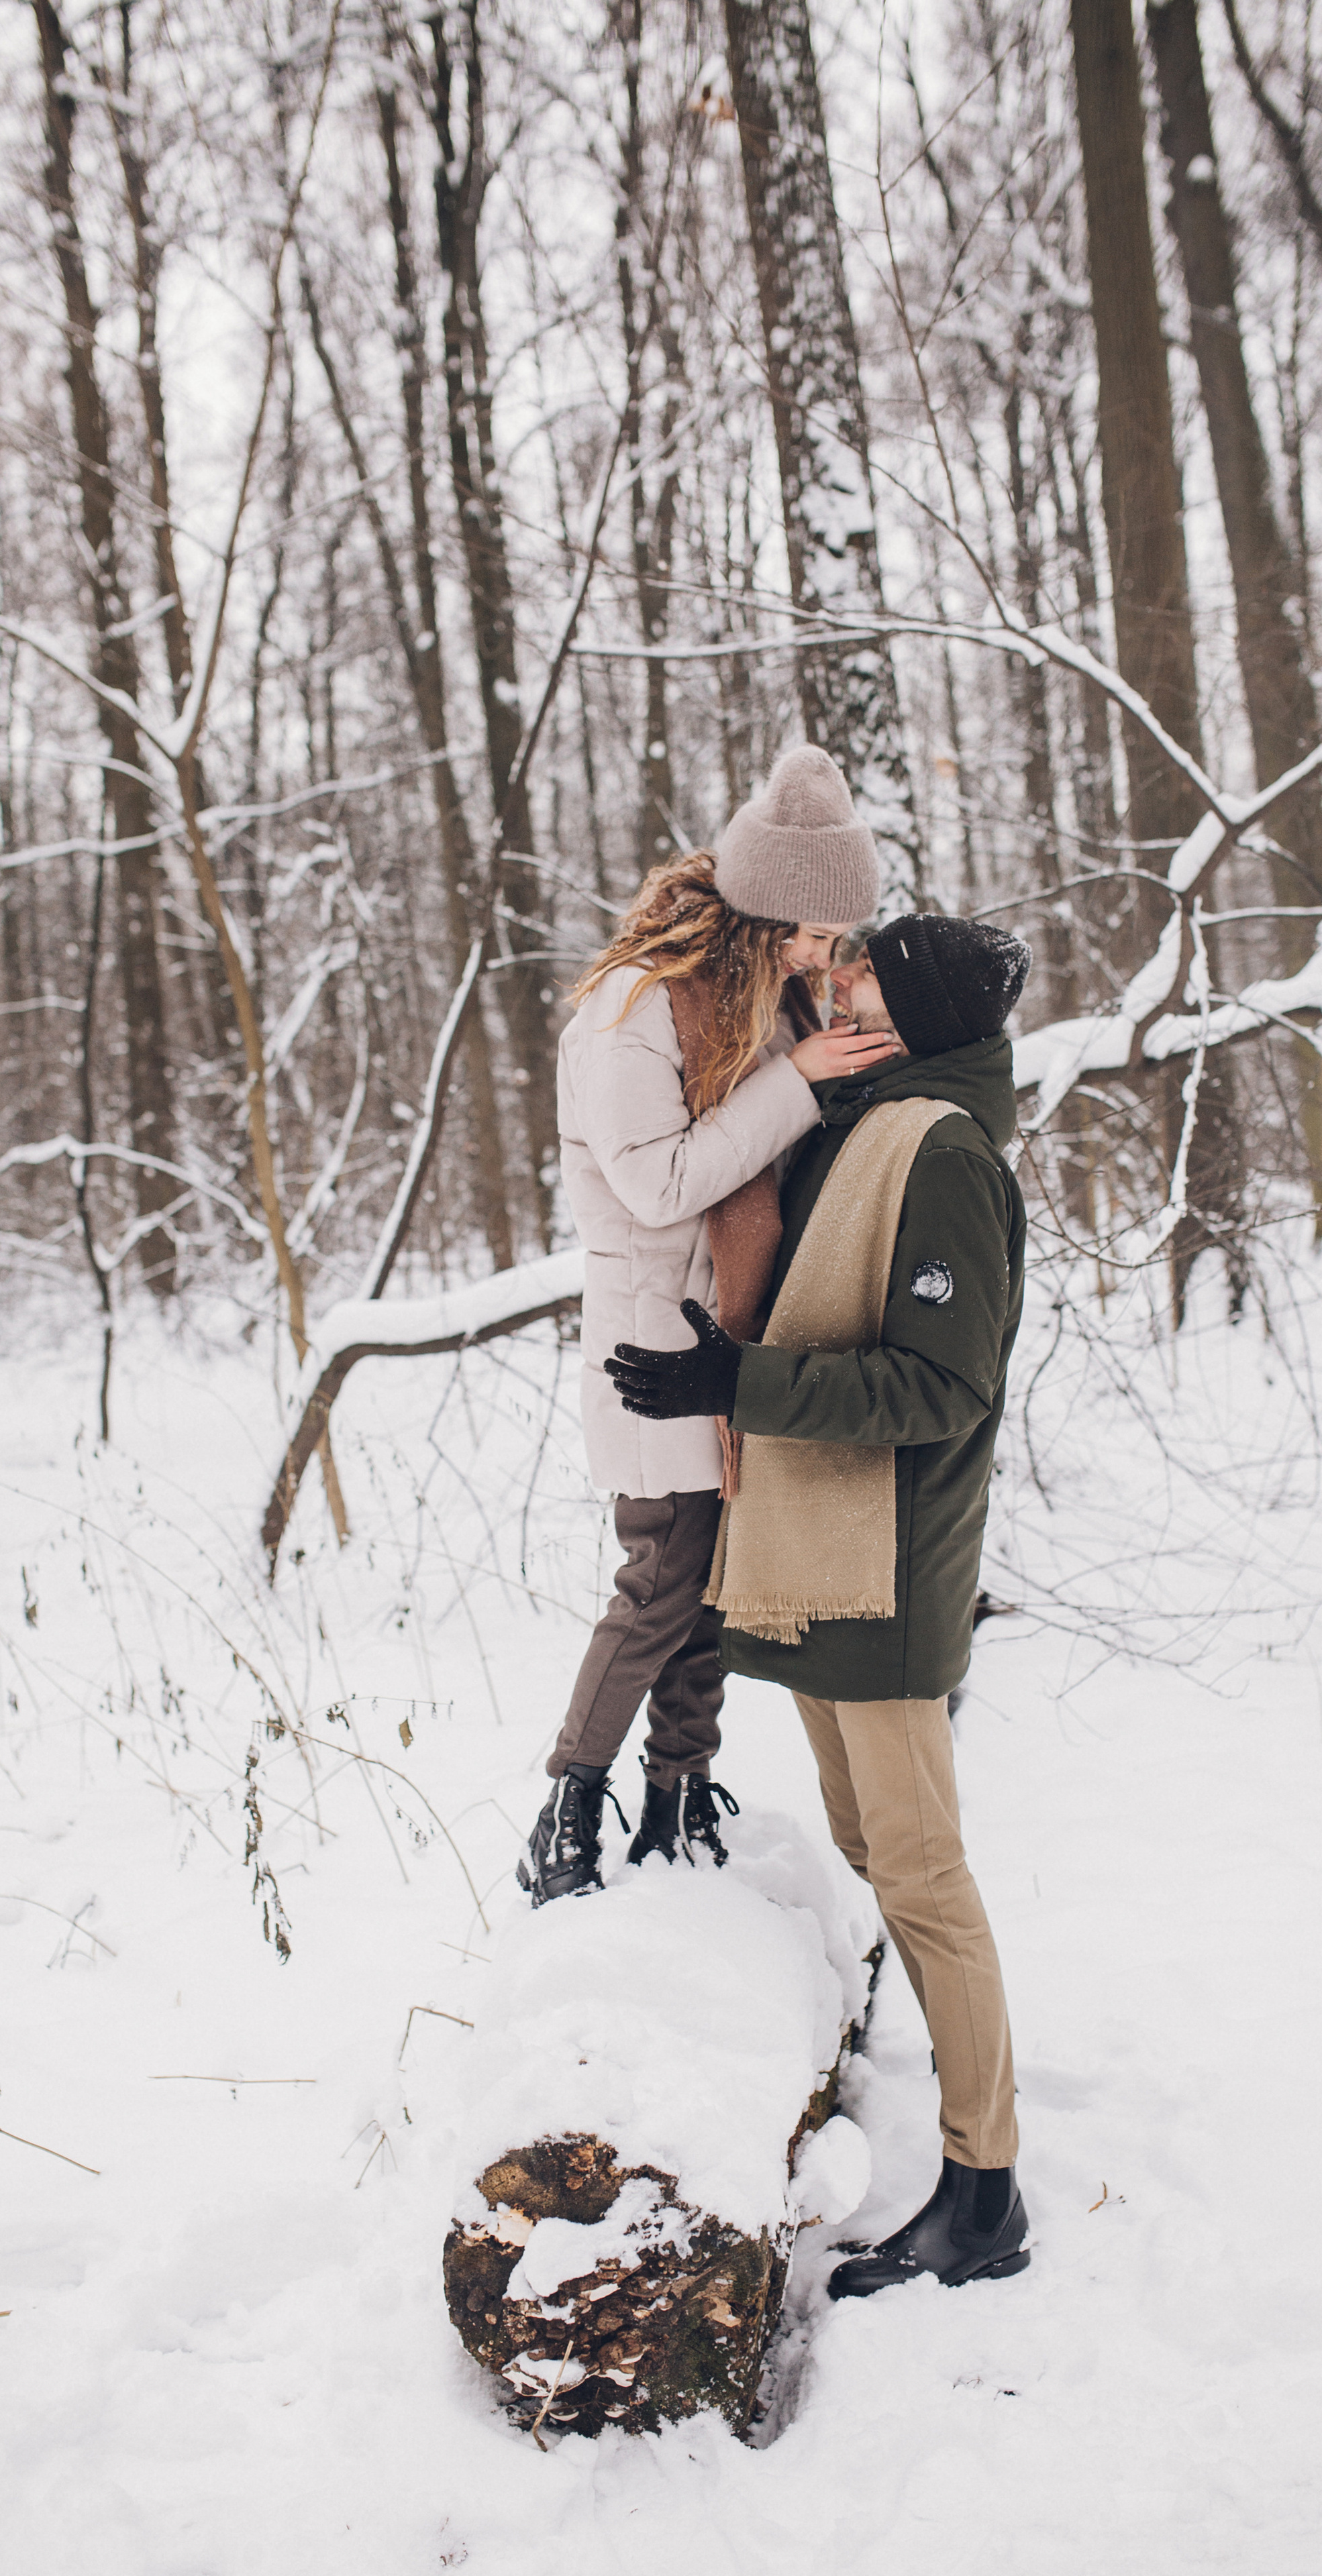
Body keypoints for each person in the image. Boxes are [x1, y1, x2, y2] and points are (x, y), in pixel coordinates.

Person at [605, 912, 1034, 2298]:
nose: (838, 984)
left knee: (923, 1875)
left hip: (890, 1566)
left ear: (910, 1019)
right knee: (869, 1845)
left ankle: (983, 2190)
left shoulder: (945, 1157)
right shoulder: (873, 1120)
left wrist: (736, 1390)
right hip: (835, 1565)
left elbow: (938, 1388)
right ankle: (956, 2120)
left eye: (862, 976)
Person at [517, 747, 899, 1907]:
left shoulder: (763, 1007)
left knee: (710, 1598)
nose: (830, 957)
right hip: (656, 1349)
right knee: (662, 1587)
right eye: (821, 932)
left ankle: (677, 1802)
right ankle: (568, 1806)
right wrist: (803, 1078)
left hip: (726, 1344)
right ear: (775, 912)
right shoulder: (632, 1010)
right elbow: (659, 1182)